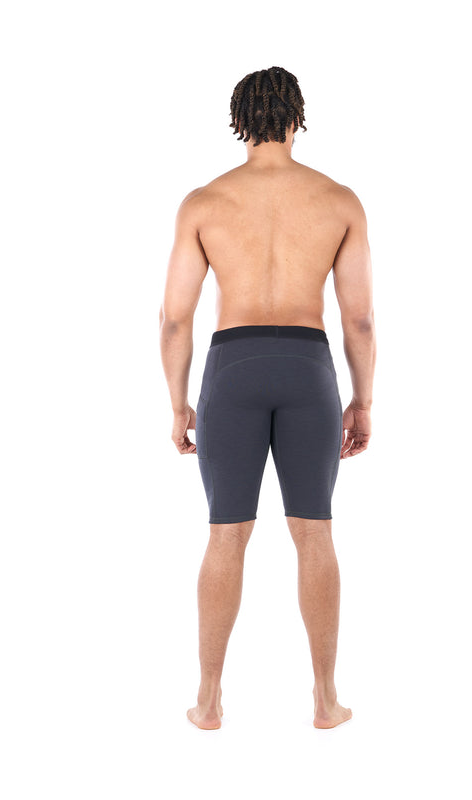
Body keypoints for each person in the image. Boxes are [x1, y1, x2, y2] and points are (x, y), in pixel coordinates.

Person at [159, 66, 376, 730]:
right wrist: (363, 401)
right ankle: (325, 699)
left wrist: (178, 403)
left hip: (233, 369)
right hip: (308, 368)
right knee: (315, 532)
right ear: (297, 117)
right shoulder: (339, 201)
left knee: (226, 535)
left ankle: (208, 700)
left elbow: (174, 319)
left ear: (239, 121)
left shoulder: (204, 203)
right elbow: (360, 320)